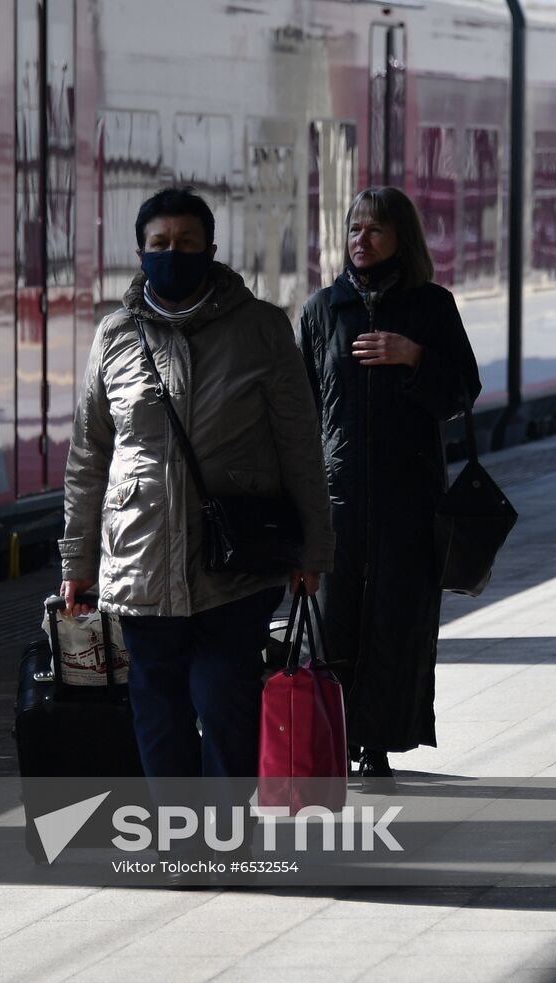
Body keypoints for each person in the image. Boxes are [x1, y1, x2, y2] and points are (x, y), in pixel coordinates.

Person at [58, 187, 335, 809]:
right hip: (141, 560)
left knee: (224, 699)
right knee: (157, 708)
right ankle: (181, 837)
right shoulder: (115, 336)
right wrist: (76, 563)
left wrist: (314, 549)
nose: (173, 254)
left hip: (235, 561)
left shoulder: (261, 328)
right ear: (140, 251)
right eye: (160, 244)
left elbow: (299, 447)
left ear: (211, 250)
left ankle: (225, 834)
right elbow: (87, 458)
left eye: (186, 244)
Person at [297, 186, 481, 791]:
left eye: (375, 229)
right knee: (335, 622)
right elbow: (298, 408)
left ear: (402, 236)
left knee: (399, 622)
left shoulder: (432, 307)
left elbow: (462, 394)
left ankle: (377, 743)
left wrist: (415, 357)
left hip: (410, 500)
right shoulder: (322, 310)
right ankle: (332, 739)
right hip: (337, 499)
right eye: (354, 228)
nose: (362, 239)